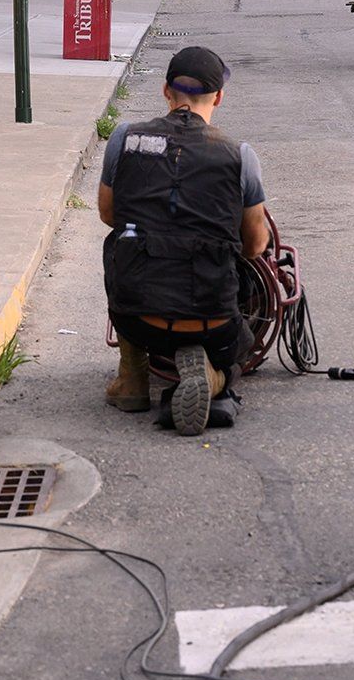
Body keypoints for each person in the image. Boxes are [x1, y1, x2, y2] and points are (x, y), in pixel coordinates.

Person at [99, 47, 270, 436]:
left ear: (165, 91)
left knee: (118, 243)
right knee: (236, 349)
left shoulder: (125, 139)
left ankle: (133, 379)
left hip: (139, 318)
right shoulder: (239, 155)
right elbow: (256, 246)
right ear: (220, 97)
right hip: (213, 320)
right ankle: (213, 375)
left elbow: (110, 215)